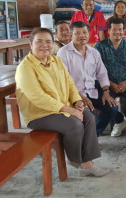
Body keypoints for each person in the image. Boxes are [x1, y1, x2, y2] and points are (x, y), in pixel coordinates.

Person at [15, 27, 108, 177]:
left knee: (89, 117)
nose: (44, 45)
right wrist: (69, 109)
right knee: (74, 124)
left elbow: (70, 83)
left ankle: (87, 163)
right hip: (39, 114)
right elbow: (38, 97)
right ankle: (75, 159)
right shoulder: (25, 68)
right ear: (30, 43)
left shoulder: (56, 60)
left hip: (62, 106)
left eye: (48, 42)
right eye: (39, 41)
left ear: (53, 44)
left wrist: (77, 101)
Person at [58, 21, 118, 136]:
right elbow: (64, 80)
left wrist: (106, 92)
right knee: (88, 114)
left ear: (89, 34)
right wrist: (80, 97)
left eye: (85, 32)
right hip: (74, 95)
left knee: (112, 108)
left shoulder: (94, 52)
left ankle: (94, 134)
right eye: (78, 33)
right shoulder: (63, 53)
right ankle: (87, 137)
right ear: (71, 35)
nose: (82, 36)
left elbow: (102, 73)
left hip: (92, 91)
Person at [95, 17, 126, 137]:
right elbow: (96, 70)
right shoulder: (99, 47)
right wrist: (110, 84)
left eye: (120, 29)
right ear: (108, 30)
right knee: (106, 101)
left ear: (124, 31)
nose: (117, 32)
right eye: (114, 29)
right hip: (107, 84)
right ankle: (119, 121)